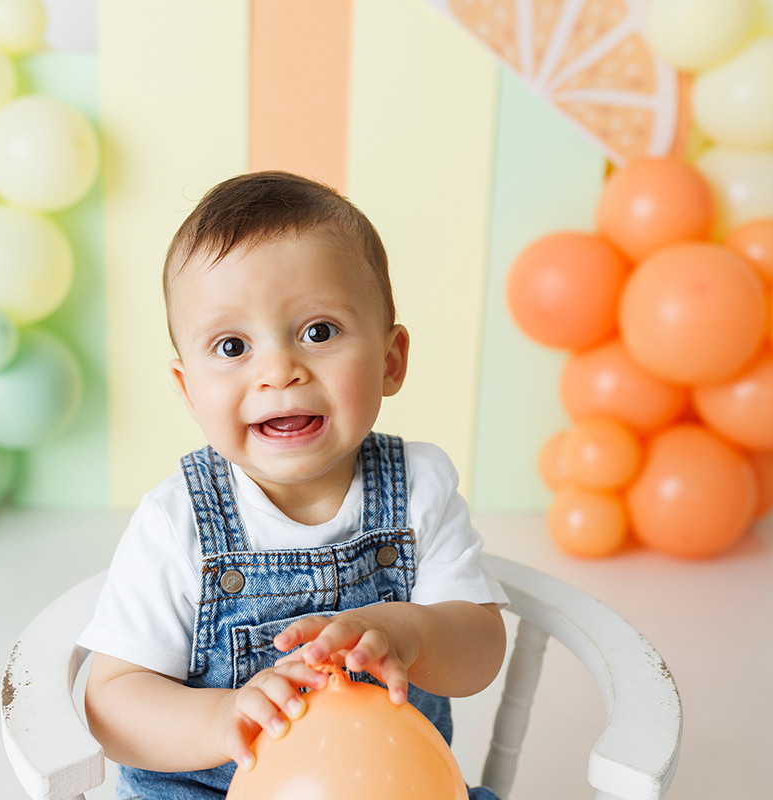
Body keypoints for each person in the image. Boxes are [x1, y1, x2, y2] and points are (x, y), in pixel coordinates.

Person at [79, 171, 509, 798]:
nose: (280, 371)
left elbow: (480, 649)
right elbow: (112, 703)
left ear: (391, 361)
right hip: (212, 789)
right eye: (232, 346)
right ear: (187, 390)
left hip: (391, 782)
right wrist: (222, 717)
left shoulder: (418, 487)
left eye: (319, 332)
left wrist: (408, 632)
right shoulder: (177, 523)